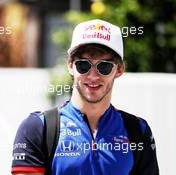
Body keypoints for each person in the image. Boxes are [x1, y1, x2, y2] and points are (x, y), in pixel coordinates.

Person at [11, 19, 159, 175]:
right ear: (70, 65)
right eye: (83, 65)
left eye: (104, 66)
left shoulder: (138, 131)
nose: (93, 76)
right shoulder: (38, 128)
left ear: (119, 70)